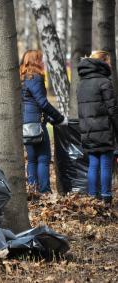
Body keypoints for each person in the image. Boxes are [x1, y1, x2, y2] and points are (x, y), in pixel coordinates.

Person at [20, 50, 67, 194]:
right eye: (40, 59)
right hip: (36, 124)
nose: (43, 62)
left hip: (24, 124)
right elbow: (42, 103)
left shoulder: (21, 78)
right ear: (35, 61)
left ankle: (33, 191)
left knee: (32, 159)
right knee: (43, 158)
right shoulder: (35, 77)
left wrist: (51, 119)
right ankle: (44, 192)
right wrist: (59, 118)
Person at [77, 50, 118, 205]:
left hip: (87, 130)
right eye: (109, 61)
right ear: (103, 62)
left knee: (93, 164)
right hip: (104, 130)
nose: (110, 65)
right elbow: (112, 109)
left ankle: (92, 198)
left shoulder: (82, 83)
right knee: (106, 164)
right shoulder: (104, 82)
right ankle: (106, 198)